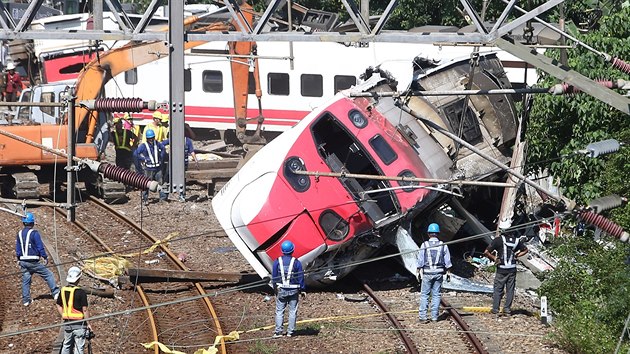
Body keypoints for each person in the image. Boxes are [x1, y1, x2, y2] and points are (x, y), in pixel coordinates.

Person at [484, 221, 529, 316]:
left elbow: (486, 252)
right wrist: (516, 255)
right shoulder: (516, 241)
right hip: (512, 269)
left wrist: (494, 258)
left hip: (501, 268)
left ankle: (495, 309)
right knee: (510, 290)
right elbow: (525, 250)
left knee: (498, 289)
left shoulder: (498, 240)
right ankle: (507, 309)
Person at [15, 212, 60, 306]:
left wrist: (18, 258)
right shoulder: (34, 233)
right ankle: (55, 293)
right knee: (48, 275)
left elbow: (18, 248)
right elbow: (40, 247)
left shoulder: (19, 233)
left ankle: (26, 301)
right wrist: (44, 256)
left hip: (23, 261)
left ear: (23, 222)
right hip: (33, 261)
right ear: (32, 222)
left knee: (26, 281)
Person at [417, 223, 452, 323]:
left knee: (425, 295)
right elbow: (448, 262)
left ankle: (423, 316)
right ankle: (434, 317)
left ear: (428, 234)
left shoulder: (424, 245)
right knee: (436, 295)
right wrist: (449, 272)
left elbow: (420, 260)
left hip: (427, 273)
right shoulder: (443, 245)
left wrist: (418, 270)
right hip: (439, 273)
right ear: (438, 234)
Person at [272, 240, 305, 338]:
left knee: (279, 311)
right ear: (292, 250)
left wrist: (275, 289)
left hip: (281, 289)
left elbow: (274, 276)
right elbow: (301, 277)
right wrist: (303, 289)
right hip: (294, 290)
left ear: (282, 250)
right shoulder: (296, 262)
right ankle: (290, 332)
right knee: (292, 311)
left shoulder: (277, 261)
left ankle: (278, 332)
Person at [57, 266, 93, 354]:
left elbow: (58, 304)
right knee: (79, 347)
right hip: (80, 324)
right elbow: (85, 310)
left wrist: (63, 315)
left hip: (68, 324)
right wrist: (88, 324)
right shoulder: (81, 292)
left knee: (67, 344)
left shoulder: (63, 290)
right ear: (78, 279)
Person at [133, 128, 168, 204]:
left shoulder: (157, 144)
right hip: (148, 168)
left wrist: (161, 157)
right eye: (149, 138)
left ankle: (163, 199)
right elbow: (136, 154)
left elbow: (163, 149)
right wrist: (143, 159)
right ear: (147, 138)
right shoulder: (143, 146)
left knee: (160, 183)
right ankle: (145, 199)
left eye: (152, 138)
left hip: (158, 168)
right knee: (146, 184)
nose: (151, 140)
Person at [162, 136, 197, 202]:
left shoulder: (188, 141)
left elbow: (191, 151)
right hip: (173, 161)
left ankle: (182, 196)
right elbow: (162, 144)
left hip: (183, 163)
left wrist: (196, 160)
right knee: (168, 177)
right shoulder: (173, 138)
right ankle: (164, 196)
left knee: (182, 179)